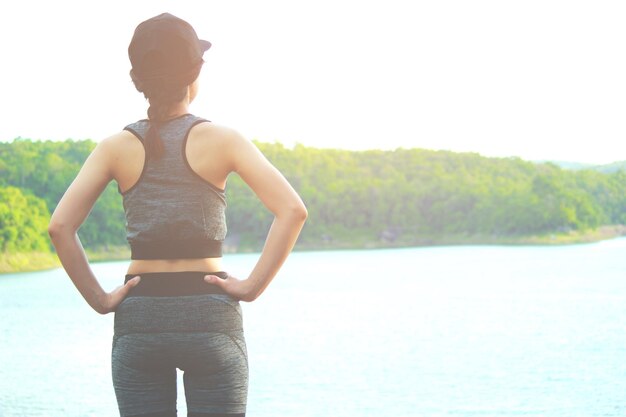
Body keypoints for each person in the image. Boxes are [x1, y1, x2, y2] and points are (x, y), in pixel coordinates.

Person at [47, 12, 307, 417]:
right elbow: (292, 210)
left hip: (140, 316)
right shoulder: (223, 139)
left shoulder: (115, 146)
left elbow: (60, 227)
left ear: (140, 81)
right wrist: (252, 287)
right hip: (210, 314)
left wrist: (100, 300)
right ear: (193, 75)